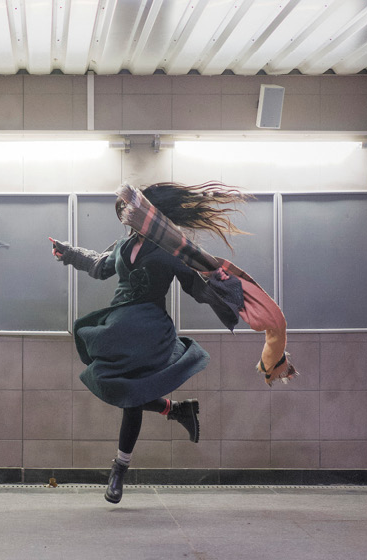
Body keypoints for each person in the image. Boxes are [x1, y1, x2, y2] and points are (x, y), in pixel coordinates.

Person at [49, 181, 295, 504]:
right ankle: (176, 410)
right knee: (117, 387)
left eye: (134, 210)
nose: (127, 214)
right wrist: (69, 253)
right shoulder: (123, 245)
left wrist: (227, 292)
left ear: (151, 215)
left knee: (130, 396)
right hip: (119, 326)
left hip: (149, 330)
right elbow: (99, 265)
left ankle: (119, 470)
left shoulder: (172, 249)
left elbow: (196, 285)